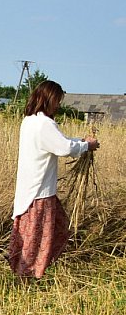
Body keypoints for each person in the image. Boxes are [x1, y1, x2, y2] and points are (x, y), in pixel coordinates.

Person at [9, 80, 99, 279]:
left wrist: (82, 142)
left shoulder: (30, 121)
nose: (58, 104)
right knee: (36, 238)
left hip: (32, 189)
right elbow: (64, 148)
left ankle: (32, 271)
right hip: (39, 192)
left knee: (43, 233)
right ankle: (28, 274)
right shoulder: (44, 124)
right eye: (57, 100)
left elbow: (61, 141)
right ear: (48, 99)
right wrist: (87, 146)